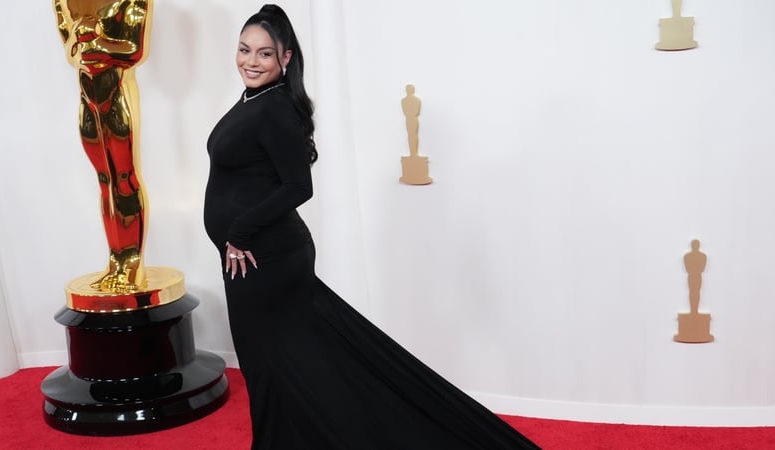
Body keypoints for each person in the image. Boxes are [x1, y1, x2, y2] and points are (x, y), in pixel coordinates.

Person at [203, 4, 540, 449]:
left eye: (265, 54)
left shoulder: (275, 109)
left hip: (266, 259)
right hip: (252, 258)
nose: (251, 61)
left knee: (277, 365)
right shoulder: (254, 99)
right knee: (276, 365)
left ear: (286, 59)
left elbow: (298, 186)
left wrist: (240, 231)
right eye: (245, 49)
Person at [54, 0, 151, 293]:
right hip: (88, 95)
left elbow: (134, 50)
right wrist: (81, 45)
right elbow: (71, 52)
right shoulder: (62, 1)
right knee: (105, 181)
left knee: (124, 177)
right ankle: (115, 261)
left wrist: (94, 44)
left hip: (117, 89)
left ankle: (131, 265)